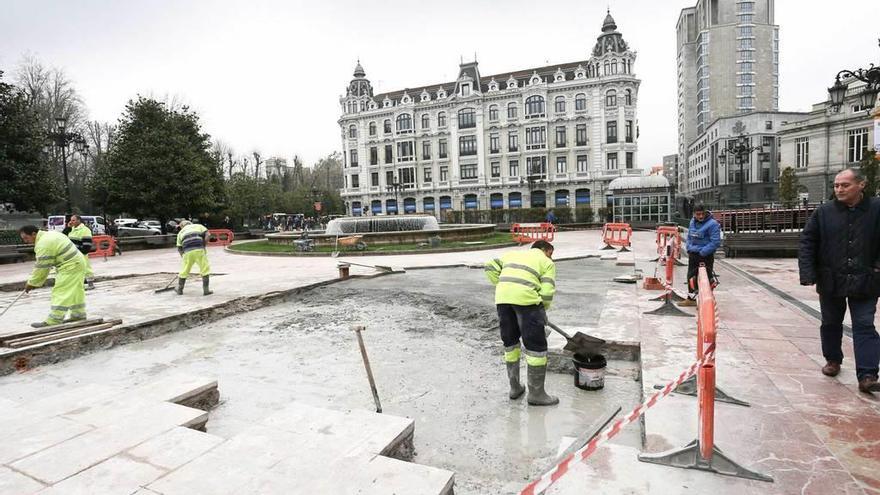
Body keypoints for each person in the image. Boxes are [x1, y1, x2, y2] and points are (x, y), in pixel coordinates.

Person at [799, 168, 880, 394]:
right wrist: (807, 273)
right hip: (831, 279)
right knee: (830, 322)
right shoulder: (824, 212)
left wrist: (877, 267)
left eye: (845, 185)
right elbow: (808, 241)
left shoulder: (876, 209)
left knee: (864, 325)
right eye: (836, 185)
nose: (839, 189)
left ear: (861, 185)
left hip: (866, 280)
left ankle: (868, 375)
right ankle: (833, 359)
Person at [485, 240, 558, 406]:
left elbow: (489, 265)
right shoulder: (546, 262)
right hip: (527, 302)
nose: (551, 257)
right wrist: (542, 309)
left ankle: (515, 388)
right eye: (551, 253)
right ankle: (536, 394)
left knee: (510, 342)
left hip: (503, 299)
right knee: (536, 347)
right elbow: (547, 293)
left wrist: (504, 285)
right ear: (546, 250)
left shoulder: (513, 254)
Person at [18, 225, 88, 328]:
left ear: (33, 234)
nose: (25, 241)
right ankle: (78, 315)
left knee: (61, 291)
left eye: (26, 238)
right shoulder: (49, 234)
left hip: (70, 266)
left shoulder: (43, 244)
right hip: (77, 263)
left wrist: (32, 283)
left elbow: (42, 267)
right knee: (76, 290)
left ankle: (54, 320)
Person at [678, 203, 721, 307]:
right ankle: (692, 299)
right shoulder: (692, 222)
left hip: (705, 256)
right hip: (693, 255)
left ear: (705, 212)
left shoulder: (713, 224)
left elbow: (715, 242)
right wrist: (688, 247)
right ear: (694, 214)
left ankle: (707, 302)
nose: (700, 216)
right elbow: (689, 236)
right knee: (691, 277)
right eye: (698, 214)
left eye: (702, 214)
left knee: (706, 279)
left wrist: (703, 252)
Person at [175, 220, 213, 296]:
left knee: (184, 270)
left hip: (187, 252)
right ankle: (206, 290)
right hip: (199, 250)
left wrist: (183, 257)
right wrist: (203, 245)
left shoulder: (180, 233)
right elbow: (208, 235)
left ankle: (180, 289)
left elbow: (179, 248)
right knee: (205, 269)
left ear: (182, 226)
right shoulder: (199, 226)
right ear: (190, 223)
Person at [64, 214, 96, 290]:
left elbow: (87, 245)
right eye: (71, 220)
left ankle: (90, 284)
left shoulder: (85, 230)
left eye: (73, 220)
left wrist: (81, 252)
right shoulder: (71, 229)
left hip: (81, 253)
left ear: (79, 220)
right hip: (71, 254)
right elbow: (63, 236)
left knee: (86, 268)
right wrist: (68, 227)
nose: (71, 222)